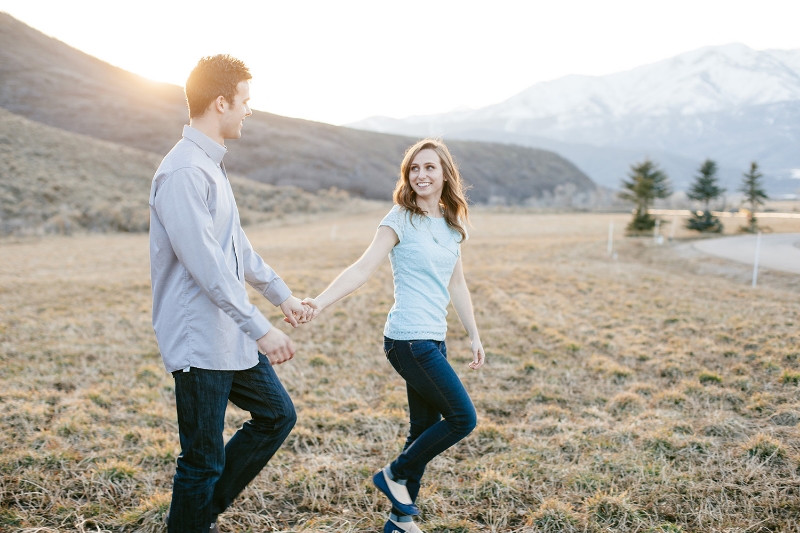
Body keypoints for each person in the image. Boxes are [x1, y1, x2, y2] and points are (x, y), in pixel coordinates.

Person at [148, 54, 311, 533]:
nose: (249, 110)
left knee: (276, 415)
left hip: (228, 335)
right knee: (201, 461)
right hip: (199, 340)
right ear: (221, 102)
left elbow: (235, 247)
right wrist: (261, 329)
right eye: (245, 101)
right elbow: (208, 267)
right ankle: (195, 518)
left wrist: (281, 295)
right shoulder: (183, 172)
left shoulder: (210, 164)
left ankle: (198, 516)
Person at [302, 139, 485, 533]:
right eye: (414, 168)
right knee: (462, 418)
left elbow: (457, 283)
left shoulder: (452, 225)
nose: (421, 174)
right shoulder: (400, 218)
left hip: (434, 339)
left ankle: (400, 521)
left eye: (429, 167)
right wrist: (319, 301)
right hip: (407, 340)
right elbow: (362, 267)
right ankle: (393, 473)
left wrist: (473, 333)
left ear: (445, 174)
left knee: (422, 429)